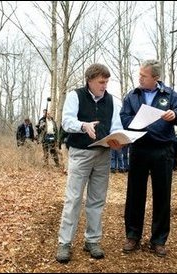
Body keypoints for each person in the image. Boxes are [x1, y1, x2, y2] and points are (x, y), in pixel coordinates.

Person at [120, 59, 177, 257]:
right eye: (139, 74)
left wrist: (174, 114)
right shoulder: (132, 96)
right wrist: (137, 122)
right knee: (135, 195)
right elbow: (123, 117)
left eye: (144, 75)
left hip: (163, 150)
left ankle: (158, 240)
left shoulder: (170, 95)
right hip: (139, 149)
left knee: (162, 196)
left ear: (155, 78)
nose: (139, 78)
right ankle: (132, 236)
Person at [55, 63, 123, 263]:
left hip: (103, 155)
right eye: (101, 82)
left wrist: (117, 140)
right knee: (73, 199)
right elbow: (66, 122)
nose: (104, 86)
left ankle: (92, 240)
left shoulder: (112, 101)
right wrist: (83, 126)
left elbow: (116, 126)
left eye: (107, 82)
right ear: (90, 80)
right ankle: (64, 243)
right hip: (80, 154)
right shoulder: (75, 96)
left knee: (97, 200)